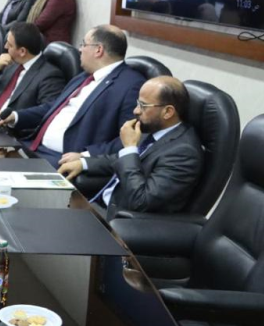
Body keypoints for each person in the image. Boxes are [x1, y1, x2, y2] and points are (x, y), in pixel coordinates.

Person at [0, 25, 145, 168]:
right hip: (32, 145)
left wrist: (86, 156)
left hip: (62, 159)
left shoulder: (131, 85)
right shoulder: (83, 77)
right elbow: (53, 108)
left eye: (83, 44)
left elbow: (129, 139)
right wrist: (16, 117)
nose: (80, 49)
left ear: (98, 50)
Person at [58, 76, 203, 219]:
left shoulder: (184, 152)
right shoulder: (154, 127)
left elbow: (141, 201)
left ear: (168, 112)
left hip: (118, 221)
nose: (136, 111)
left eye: (143, 106)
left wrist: (129, 148)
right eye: (137, 103)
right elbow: (120, 160)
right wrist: (83, 163)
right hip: (97, 204)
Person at [0, 22, 66, 117]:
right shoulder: (11, 62)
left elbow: (47, 112)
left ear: (22, 51)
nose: (5, 47)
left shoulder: (50, 76)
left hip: (10, 125)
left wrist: (14, 116)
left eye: (10, 45)